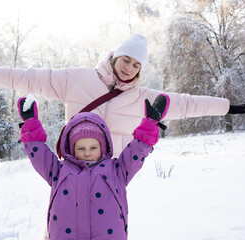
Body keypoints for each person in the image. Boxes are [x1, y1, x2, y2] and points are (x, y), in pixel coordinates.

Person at [0, 33, 245, 158]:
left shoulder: (142, 97)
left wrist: (225, 107)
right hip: (72, 166)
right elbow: (32, 77)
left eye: (136, 65)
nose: (129, 68)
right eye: (126, 60)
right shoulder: (76, 79)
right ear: (115, 57)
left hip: (113, 172)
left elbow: (186, 103)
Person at [17, 93, 169, 240]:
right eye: (81, 148)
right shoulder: (58, 170)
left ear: (102, 147)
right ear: (71, 149)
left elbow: (138, 149)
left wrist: (150, 123)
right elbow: (38, 154)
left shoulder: (117, 170)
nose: (87, 153)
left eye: (93, 148)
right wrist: (30, 124)